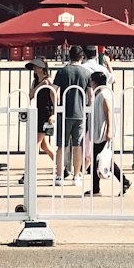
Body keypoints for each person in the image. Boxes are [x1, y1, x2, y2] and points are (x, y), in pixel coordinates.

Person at [86, 70, 131, 196]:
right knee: (101, 159)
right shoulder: (102, 94)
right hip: (100, 132)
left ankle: (123, 181)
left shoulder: (104, 95)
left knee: (102, 159)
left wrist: (109, 130)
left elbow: (108, 112)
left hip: (103, 132)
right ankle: (97, 187)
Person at [52, 45, 89, 187]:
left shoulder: (62, 71)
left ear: (69, 56)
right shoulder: (86, 73)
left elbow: (53, 90)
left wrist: (56, 105)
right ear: (82, 57)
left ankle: (59, 175)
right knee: (77, 145)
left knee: (61, 145)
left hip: (64, 113)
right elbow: (90, 94)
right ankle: (76, 176)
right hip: (80, 114)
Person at [23, 58, 56, 180]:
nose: (35, 69)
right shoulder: (36, 81)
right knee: (45, 146)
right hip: (38, 111)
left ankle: (29, 171)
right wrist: (40, 85)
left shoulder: (50, 81)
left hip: (46, 113)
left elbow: (54, 98)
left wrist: (53, 114)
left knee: (36, 143)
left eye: (37, 66)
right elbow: (31, 95)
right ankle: (61, 166)